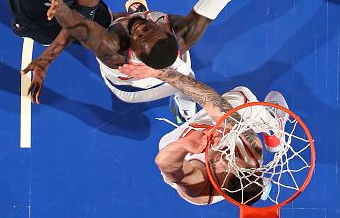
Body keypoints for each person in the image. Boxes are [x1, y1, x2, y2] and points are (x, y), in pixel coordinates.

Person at [45, 0, 284, 121]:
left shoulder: (114, 49)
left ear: (135, 48)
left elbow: (82, 29)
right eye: (148, 27)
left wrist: (61, 9)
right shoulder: (183, 33)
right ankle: (184, 104)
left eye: (140, 33)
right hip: (149, 72)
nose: (140, 27)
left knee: (186, 83)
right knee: (187, 77)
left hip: (130, 90)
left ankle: (185, 112)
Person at [118, 62, 289, 206]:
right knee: (242, 98)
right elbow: (208, 99)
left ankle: (186, 114)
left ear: (220, 187)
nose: (222, 160)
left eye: (222, 171)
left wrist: (184, 145)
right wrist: (157, 72)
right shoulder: (251, 149)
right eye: (232, 162)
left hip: (174, 147)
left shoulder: (199, 187)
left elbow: (164, 163)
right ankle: (273, 129)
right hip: (211, 129)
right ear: (250, 168)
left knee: (202, 119)